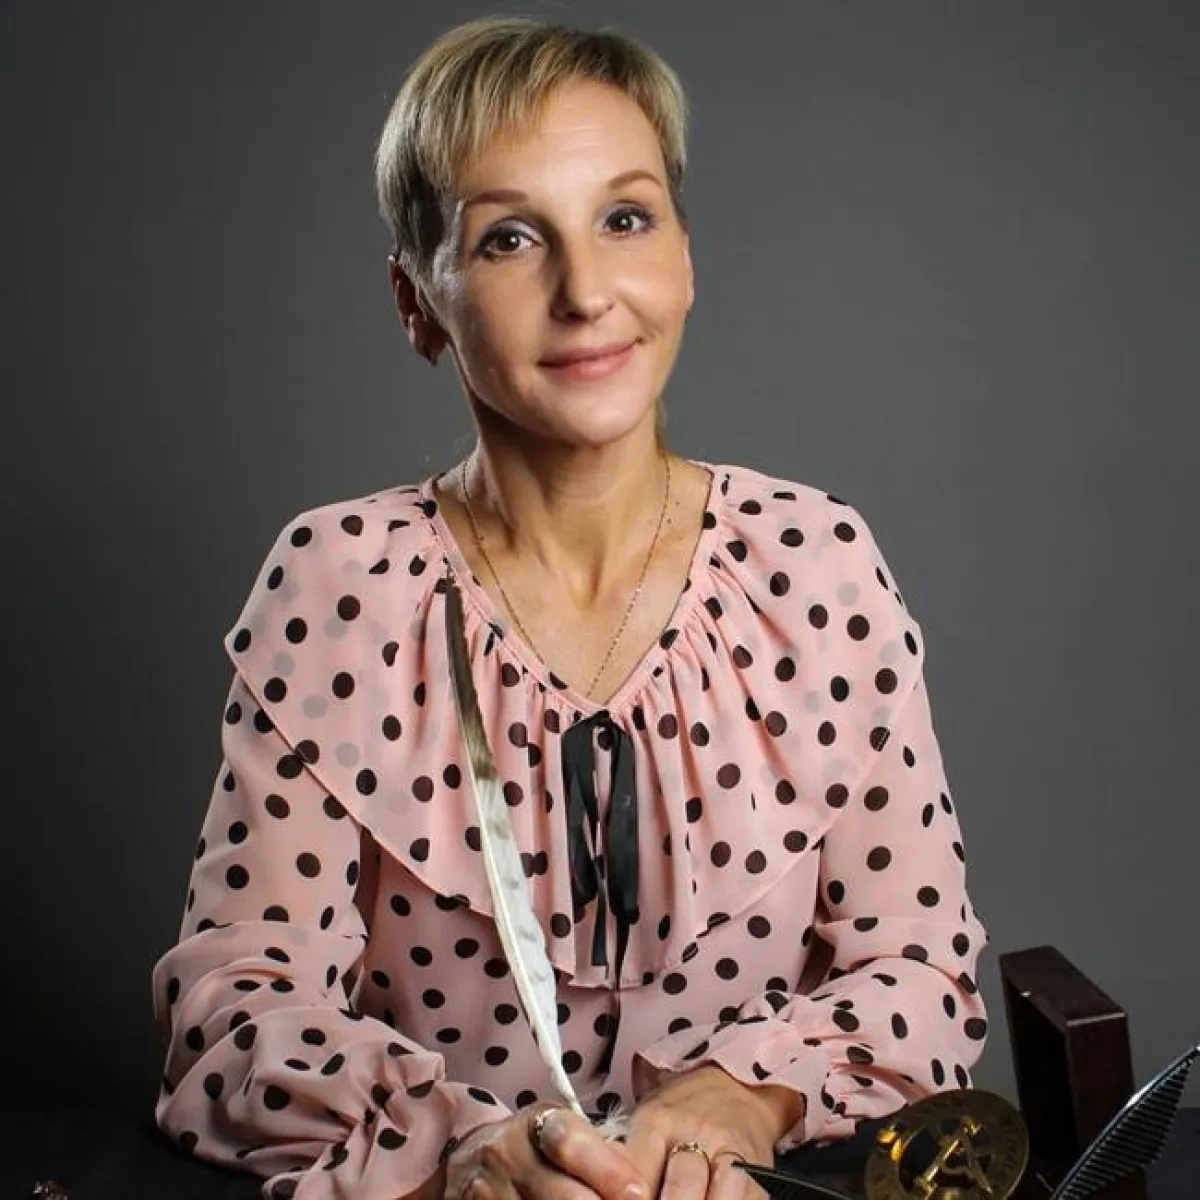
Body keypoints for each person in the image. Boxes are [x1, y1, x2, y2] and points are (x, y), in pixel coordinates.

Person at [152, 15, 989, 1200]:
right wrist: (460, 1153)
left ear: (685, 256)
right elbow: (234, 1012)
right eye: (508, 238)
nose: (586, 292)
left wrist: (745, 1096)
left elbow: (922, 972)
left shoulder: (817, 567)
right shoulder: (340, 584)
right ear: (416, 301)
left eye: (626, 219)